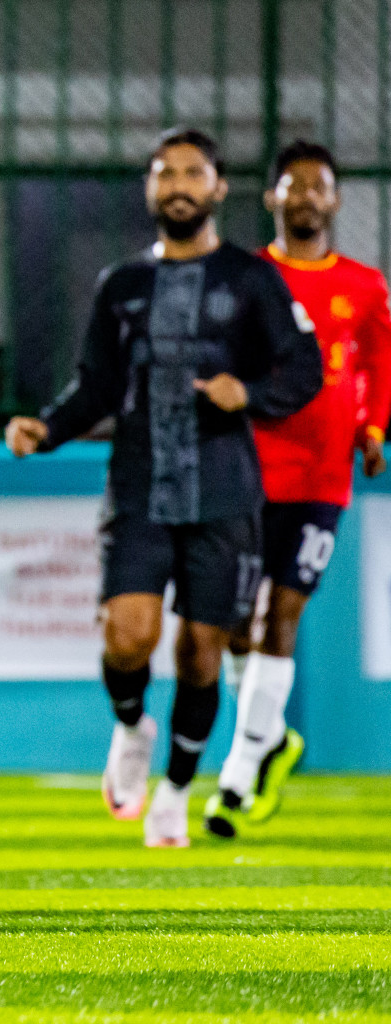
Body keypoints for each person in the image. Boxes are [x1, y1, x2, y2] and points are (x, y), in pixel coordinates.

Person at [5, 128, 322, 848]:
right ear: (150, 189)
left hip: (223, 491)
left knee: (201, 654)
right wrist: (47, 430)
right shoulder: (121, 286)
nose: (178, 184)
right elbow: (96, 385)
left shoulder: (251, 279)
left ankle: (176, 791)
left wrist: (250, 392)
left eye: (192, 173)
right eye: (164, 173)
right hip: (141, 485)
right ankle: (129, 726)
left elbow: (304, 367)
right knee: (128, 638)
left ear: (217, 189)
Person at [205, 141, 391, 837]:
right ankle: (272, 738)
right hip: (251, 465)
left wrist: (374, 425)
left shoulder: (365, 286)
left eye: (320, 186)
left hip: (322, 473)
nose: (308, 196)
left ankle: (238, 775)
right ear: (273, 198)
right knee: (233, 623)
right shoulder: (249, 278)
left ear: (336, 200)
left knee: (282, 613)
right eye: (295, 185)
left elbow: (379, 357)